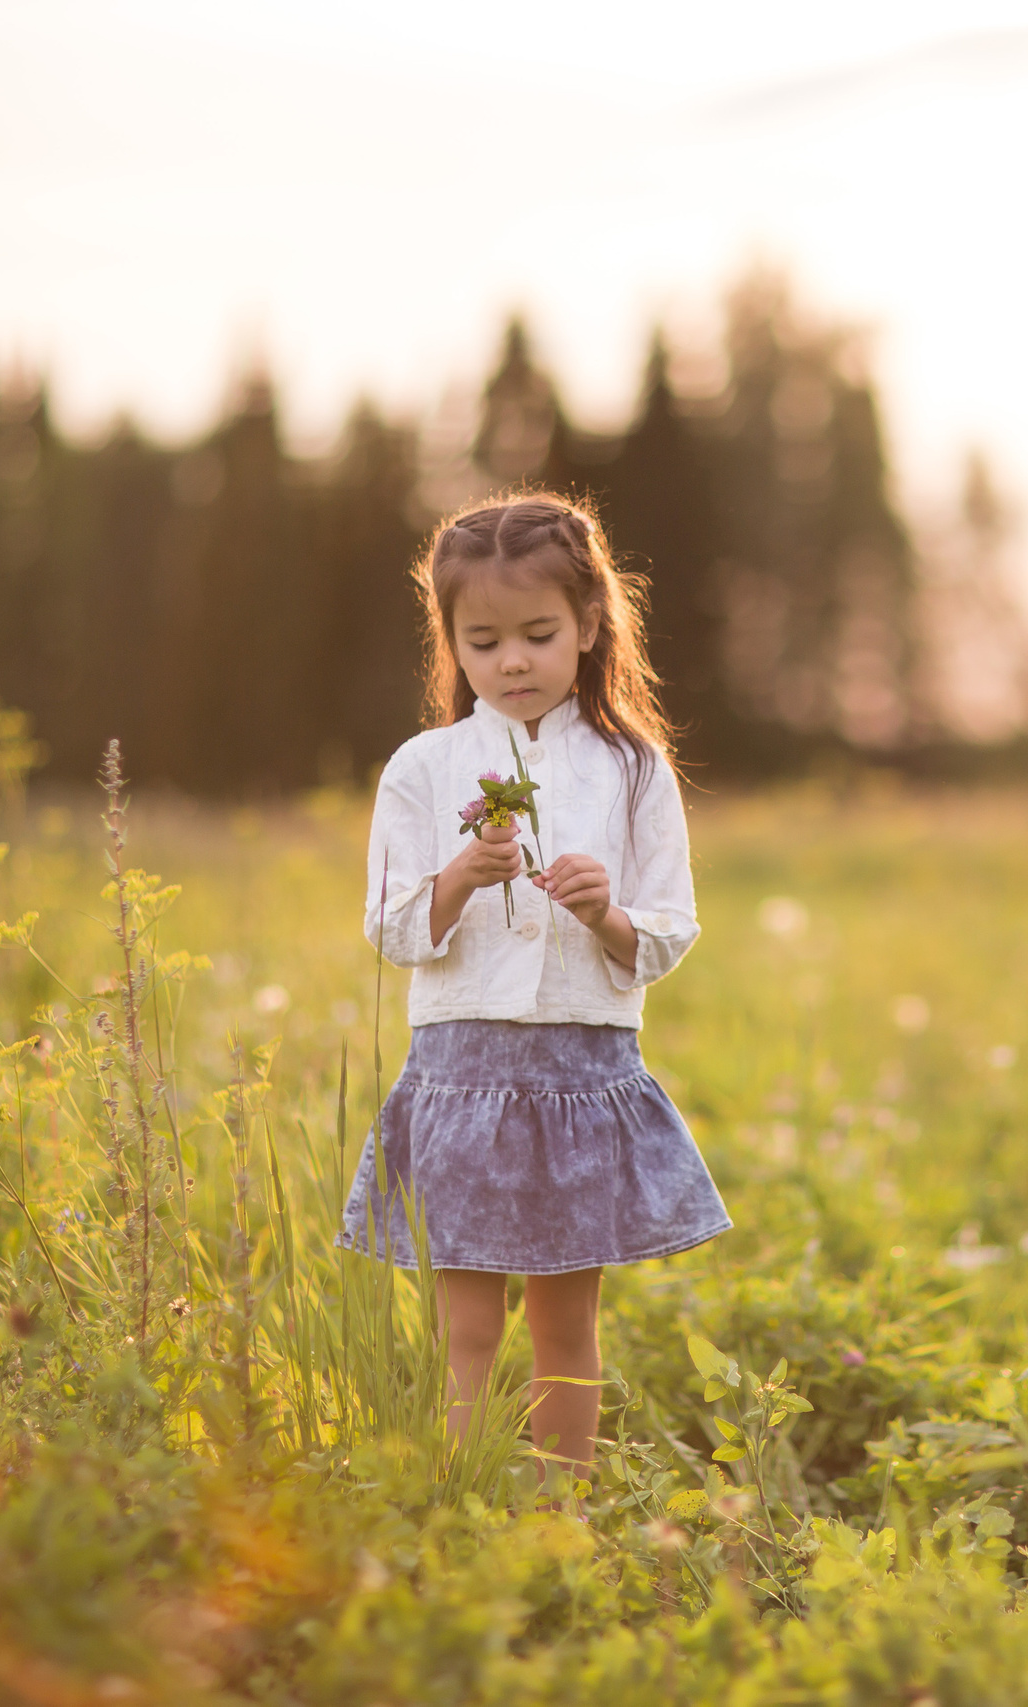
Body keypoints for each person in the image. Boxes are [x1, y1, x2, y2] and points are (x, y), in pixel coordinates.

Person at [339, 492, 730, 1493]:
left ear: (592, 625)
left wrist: (606, 913)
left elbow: (670, 928)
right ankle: (465, 1499)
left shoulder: (631, 768)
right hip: (460, 1074)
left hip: (580, 1069)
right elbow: (388, 929)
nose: (512, 661)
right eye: (483, 641)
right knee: (466, 1323)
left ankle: (566, 1510)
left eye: (538, 634)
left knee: (565, 1323)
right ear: (453, 645)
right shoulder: (425, 769)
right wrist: (460, 877)